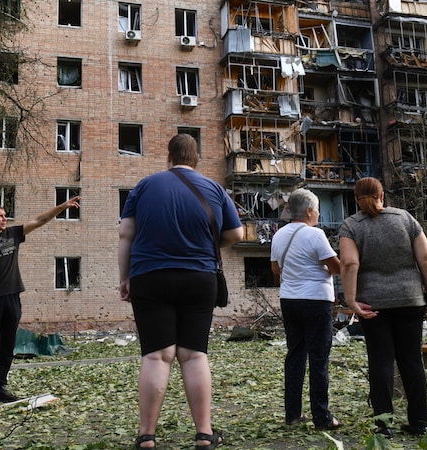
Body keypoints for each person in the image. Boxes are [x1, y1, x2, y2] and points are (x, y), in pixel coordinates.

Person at [118, 133, 243, 450]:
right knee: (194, 354)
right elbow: (236, 233)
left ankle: (146, 436)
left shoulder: (144, 185)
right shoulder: (214, 188)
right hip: (199, 277)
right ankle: (203, 433)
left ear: (168, 157)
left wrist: (125, 277)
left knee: (157, 355)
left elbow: (126, 235)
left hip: (149, 275)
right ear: (196, 158)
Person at [337, 177, 427, 437]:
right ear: (383, 195)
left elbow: (349, 264)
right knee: (412, 361)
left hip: (373, 304)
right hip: (410, 299)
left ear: (355, 198)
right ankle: (419, 423)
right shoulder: (405, 219)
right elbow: (426, 259)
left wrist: (350, 300)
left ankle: (383, 427)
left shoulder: (351, 225)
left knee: (380, 362)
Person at [0, 197, 80, 407]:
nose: (4, 218)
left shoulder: (13, 234)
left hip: (13, 298)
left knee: (8, 345)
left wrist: (62, 207)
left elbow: (40, 220)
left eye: (4, 215)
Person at [270, 189, 342, 429]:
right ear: (310, 211)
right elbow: (336, 267)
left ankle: (292, 414)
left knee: (295, 355)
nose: (319, 214)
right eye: (318, 209)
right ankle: (322, 417)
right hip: (316, 300)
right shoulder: (316, 234)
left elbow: (275, 270)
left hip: (289, 300)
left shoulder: (279, 235)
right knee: (319, 358)